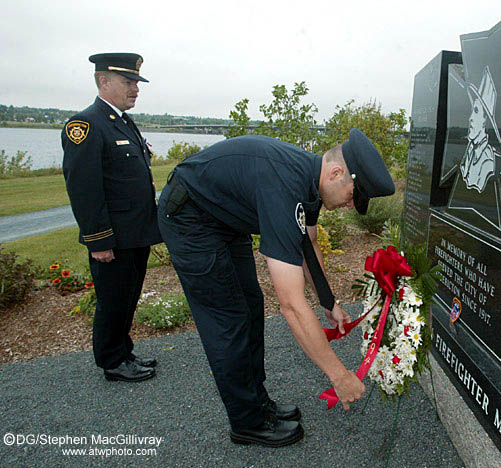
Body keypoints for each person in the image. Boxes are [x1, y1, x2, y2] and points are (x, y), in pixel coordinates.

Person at [157, 129, 395, 447]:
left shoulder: (310, 179)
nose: (350, 206)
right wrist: (339, 375)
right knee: (228, 319)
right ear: (337, 172)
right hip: (191, 218)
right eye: (353, 195)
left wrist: (328, 300)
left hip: (224, 220)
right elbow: (291, 305)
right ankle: (247, 422)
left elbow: (307, 243)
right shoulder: (284, 189)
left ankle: (257, 403)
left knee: (251, 306)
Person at [61, 53, 161, 382]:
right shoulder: (86, 125)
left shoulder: (121, 121)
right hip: (113, 237)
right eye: (128, 82)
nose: (135, 88)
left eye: (136, 83)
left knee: (127, 296)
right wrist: (98, 240)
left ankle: (123, 351)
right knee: (113, 300)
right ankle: (112, 361)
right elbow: (85, 189)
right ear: (104, 82)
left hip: (134, 234)